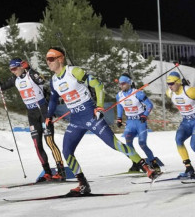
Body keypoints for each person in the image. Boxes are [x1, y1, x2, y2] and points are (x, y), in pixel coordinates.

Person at [43, 47, 159, 196]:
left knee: (115, 144)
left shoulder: (74, 72)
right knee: (67, 152)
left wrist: (99, 106)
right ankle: (83, 184)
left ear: (61, 59)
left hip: (89, 114)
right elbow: (53, 100)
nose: (48, 62)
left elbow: (98, 85)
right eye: (47, 59)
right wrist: (48, 116)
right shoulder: (53, 80)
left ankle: (147, 168)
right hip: (76, 119)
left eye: (51, 59)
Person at [0, 58, 66, 182]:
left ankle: (61, 171)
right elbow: (0, 87)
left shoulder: (31, 75)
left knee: (49, 141)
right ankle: (47, 172)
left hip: (43, 110)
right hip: (31, 113)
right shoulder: (15, 79)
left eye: (15, 69)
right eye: (11, 70)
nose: (13, 72)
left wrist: (29, 69)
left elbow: (42, 80)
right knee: (37, 144)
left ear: (21, 66)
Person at [115, 74, 160, 174]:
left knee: (142, 144)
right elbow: (119, 106)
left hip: (140, 122)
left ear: (129, 83)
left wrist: (145, 115)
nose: (121, 86)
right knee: (128, 144)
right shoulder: (119, 95)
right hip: (130, 123)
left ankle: (154, 163)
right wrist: (119, 118)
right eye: (120, 84)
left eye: (123, 84)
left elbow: (149, 104)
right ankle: (135, 163)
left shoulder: (138, 93)